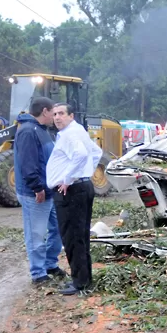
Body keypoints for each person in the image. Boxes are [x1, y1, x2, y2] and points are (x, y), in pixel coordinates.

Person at [46, 103, 102, 296]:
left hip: (71, 191)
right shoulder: (78, 131)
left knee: (72, 237)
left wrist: (68, 178)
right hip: (82, 186)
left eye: (61, 113)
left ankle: (80, 283)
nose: (57, 117)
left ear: (71, 115)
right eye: (54, 114)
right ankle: (84, 279)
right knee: (81, 235)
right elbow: (96, 153)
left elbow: (81, 154)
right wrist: (85, 174)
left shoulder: (70, 134)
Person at [13, 97, 64, 285]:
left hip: (48, 190)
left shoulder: (42, 131)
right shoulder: (27, 131)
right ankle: (38, 273)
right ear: (45, 111)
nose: (55, 116)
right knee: (36, 233)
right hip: (34, 193)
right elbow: (28, 163)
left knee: (58, 229)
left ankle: (50, 264)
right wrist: (37, 187)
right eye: (53, 112)